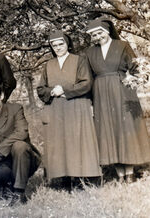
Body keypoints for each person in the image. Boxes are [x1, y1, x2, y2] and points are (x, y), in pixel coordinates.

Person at [85, 18, 150, 182]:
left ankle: (130, 172)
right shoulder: (89, 53)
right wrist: (89, 102)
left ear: (107, 32)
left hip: (123, 93)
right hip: (100, 95)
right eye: (94, 35)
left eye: (100, 33)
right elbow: (88, 78)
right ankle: (119, 174)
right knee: (109, 131)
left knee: (124, 130)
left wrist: (136, 81)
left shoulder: (122, 46)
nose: (98, 37)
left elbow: (137, 68)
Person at [37, 31, 102, 188]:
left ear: (67, 44)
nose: (58, 47)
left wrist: (65, 90)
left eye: (61, 44)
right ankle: (64, 180)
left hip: (76, 106)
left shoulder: (79, 60)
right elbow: (40, 88)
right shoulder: (48, 65)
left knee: (77, 142)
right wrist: (52, 91)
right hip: (56, 109)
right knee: (60, 144)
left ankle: (80, 180)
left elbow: (86, 83)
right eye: (55, 45)